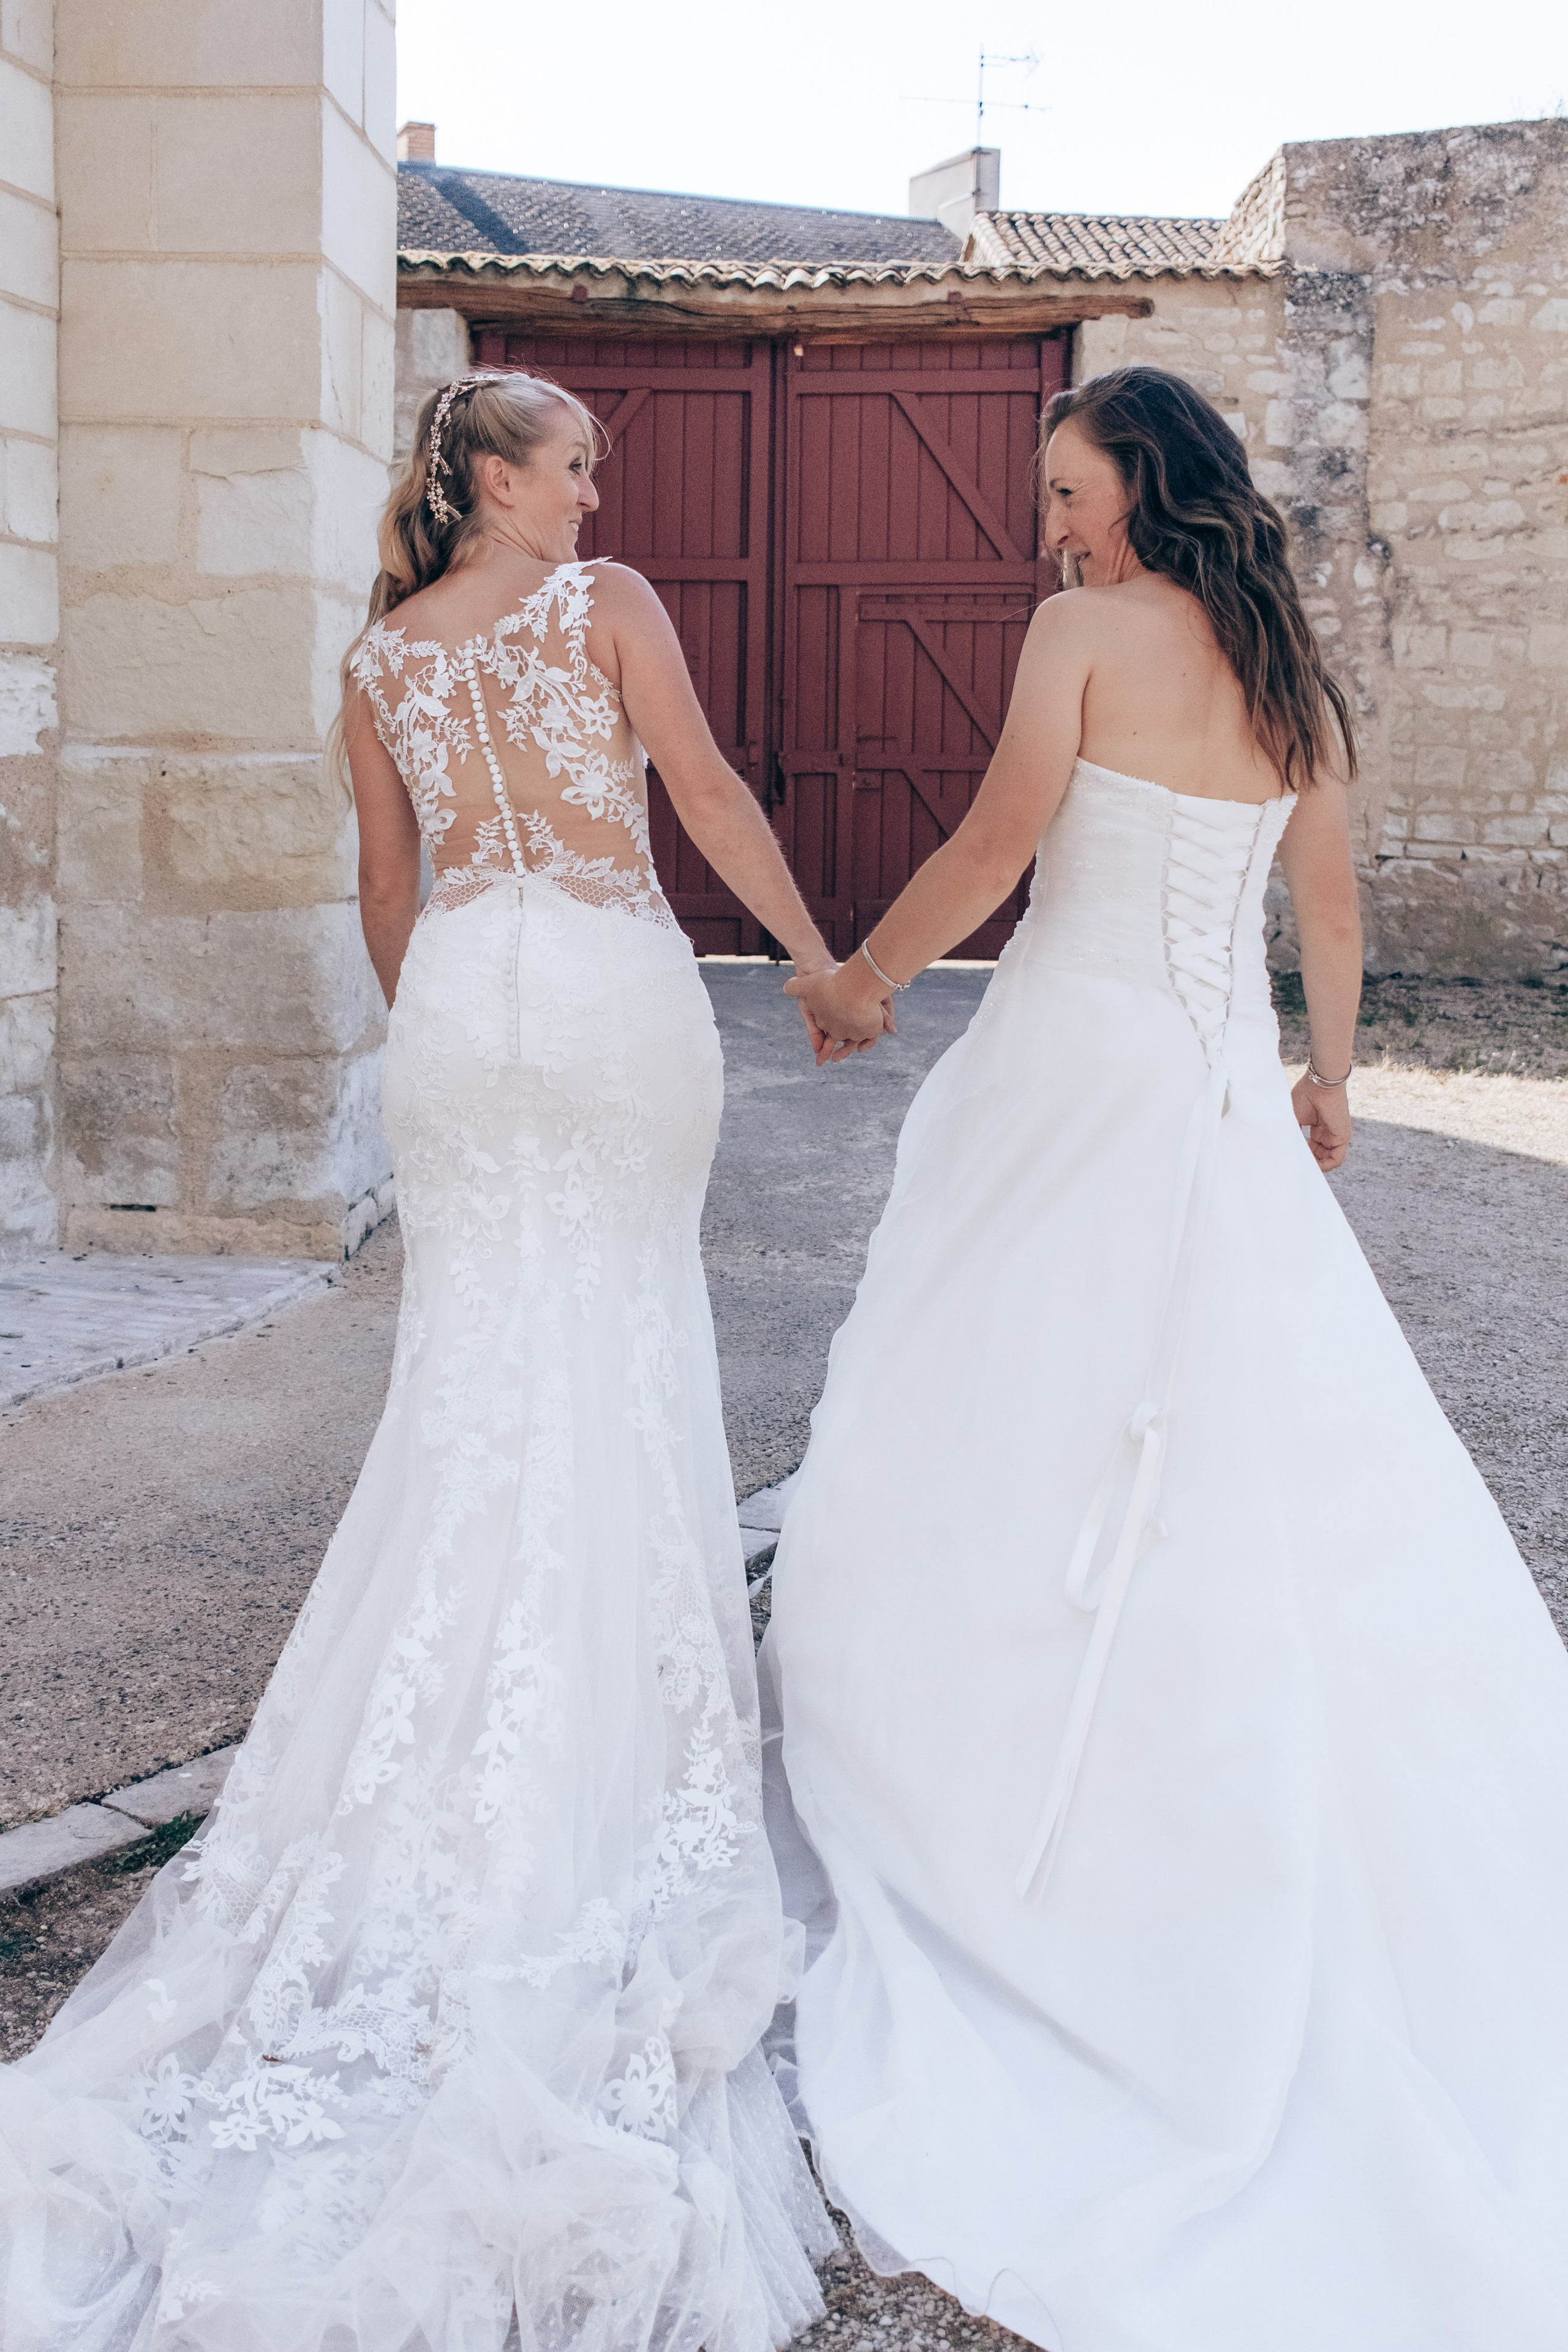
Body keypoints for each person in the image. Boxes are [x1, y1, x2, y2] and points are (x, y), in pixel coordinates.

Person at [0, 372, 839, 2351]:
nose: (592, 487)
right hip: (621, 994)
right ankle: (609, 1767)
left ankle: (450, 1755)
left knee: (478, 1385)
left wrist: (463, 1011)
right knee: (619, 1355)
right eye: (567, 462)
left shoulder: (379, 658)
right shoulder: (613, 602)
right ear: (485, 477)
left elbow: (388, 897)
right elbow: (705, 800)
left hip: (466, 1010)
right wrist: (814, 957)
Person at [766, 364, 1568, 2350]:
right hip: (1208, 1083)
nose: (1052, 524)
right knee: (1243, 1441)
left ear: (1144, 475)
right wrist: (1329, 1078)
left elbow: (995, 846)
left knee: (1006, 1412)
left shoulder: (1082, 635)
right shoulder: (1290, 667)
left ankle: (999, 1789)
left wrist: (866, 975)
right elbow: (1330, 897)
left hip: (1076, 1072)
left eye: (1068, 486)